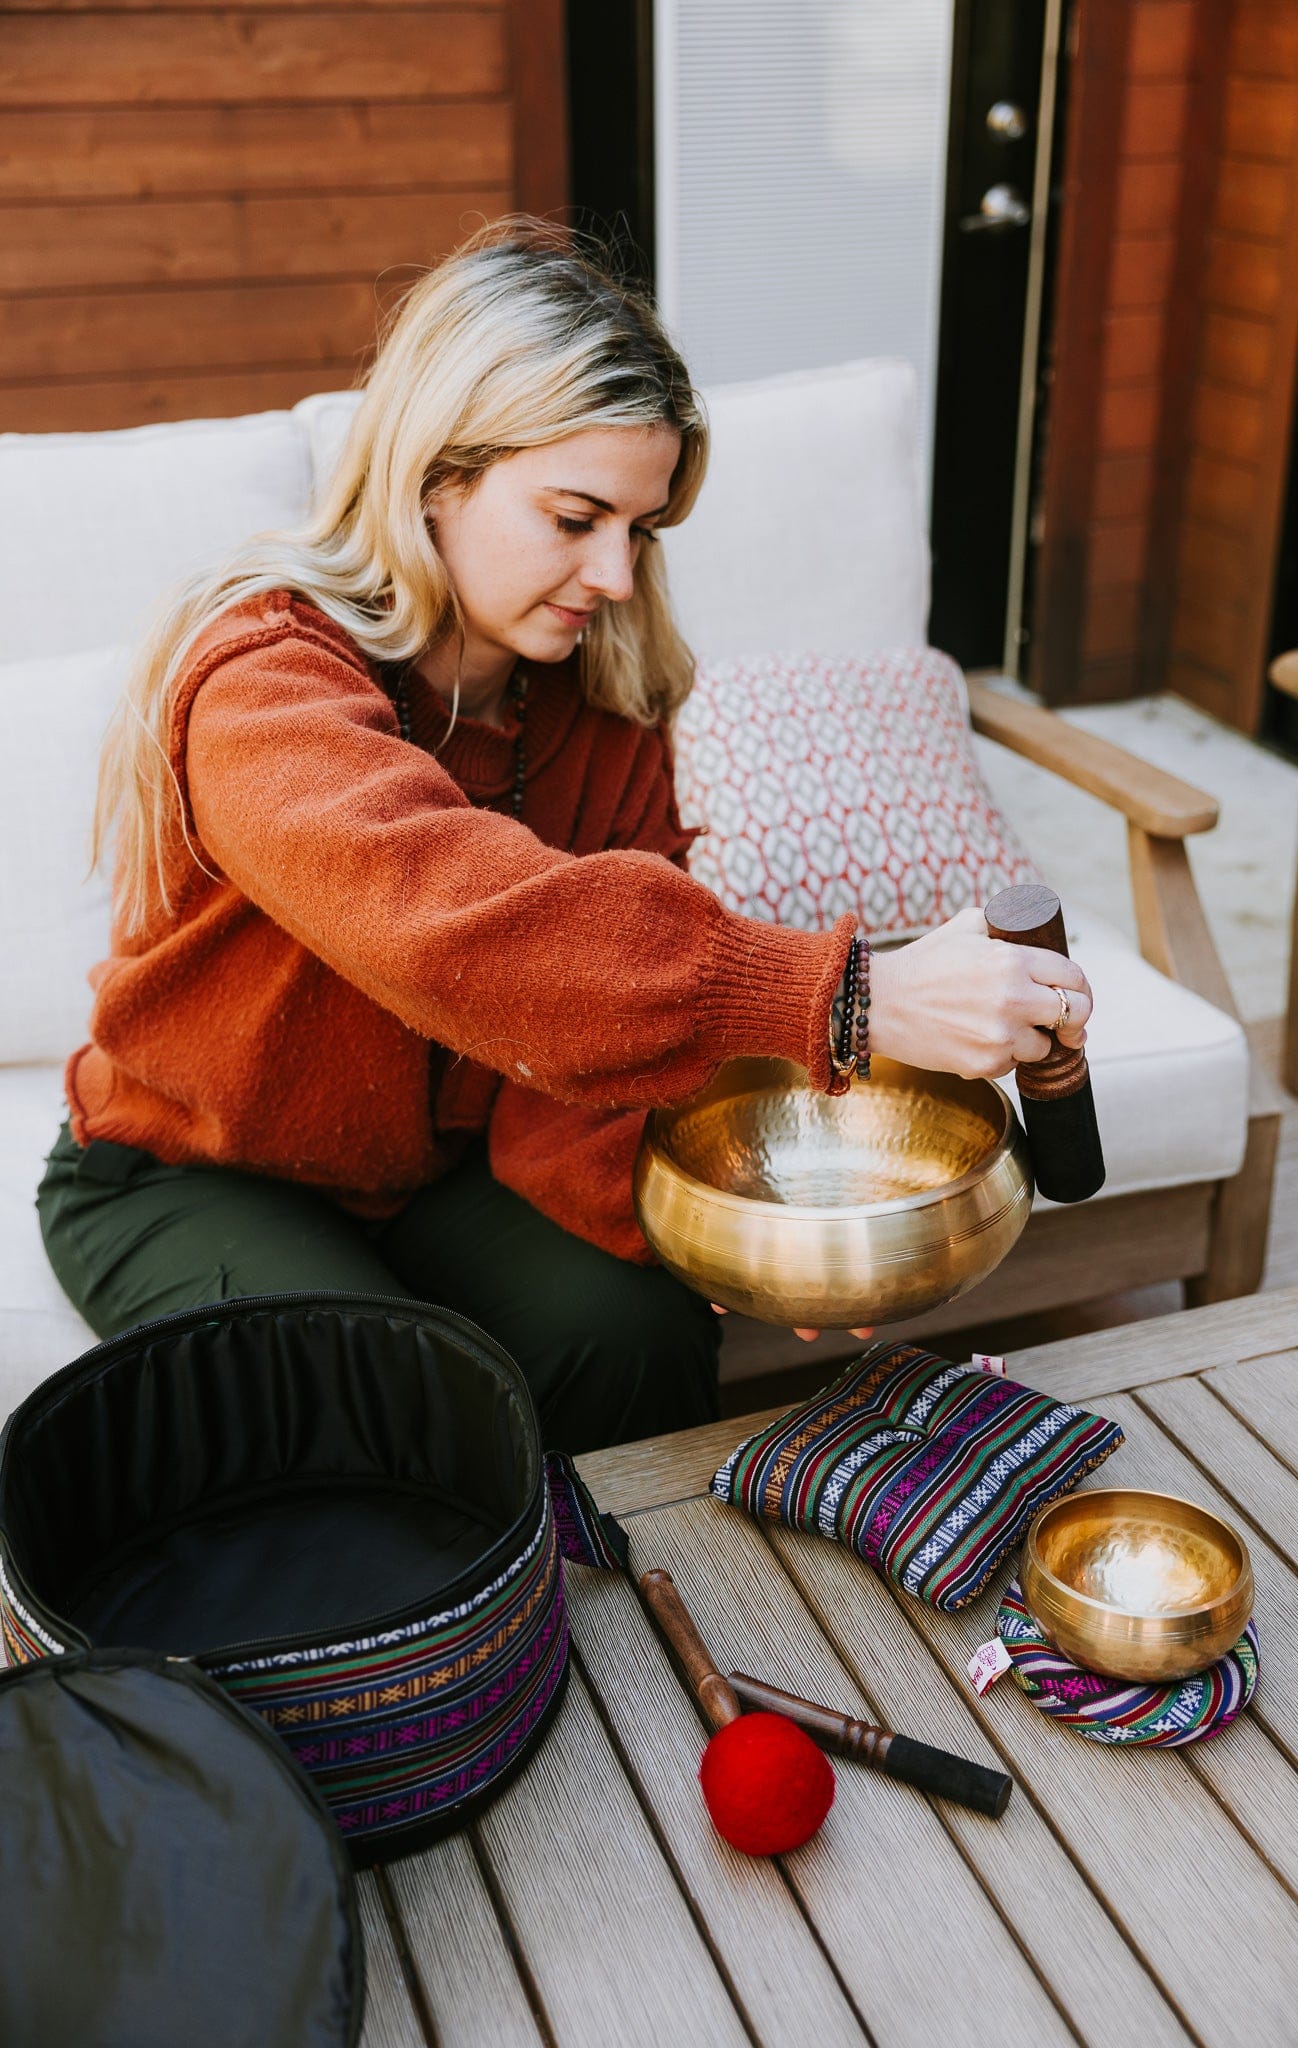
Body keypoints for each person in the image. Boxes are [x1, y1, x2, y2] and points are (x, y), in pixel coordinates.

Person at [37, 221, 1092, 1455]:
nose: (618, 575)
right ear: (440, 475)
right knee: (375, 1383)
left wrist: (731, 1228)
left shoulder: (598, 701)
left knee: (632, 1327)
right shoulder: (266, 679)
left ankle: (632, 1625)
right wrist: (852, 994)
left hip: (439, 1167)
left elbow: (581, 1038)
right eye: (576, 516)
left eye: (640, 530)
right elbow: (458, 927)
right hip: (194, 1167)